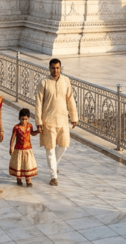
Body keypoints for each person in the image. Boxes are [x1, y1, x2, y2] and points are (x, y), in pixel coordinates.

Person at [35, 58, 78, 187]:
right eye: (53, 68)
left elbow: (70, 99)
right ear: (49, 68)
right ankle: (53, 176)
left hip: (63, 120)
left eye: (57, 68)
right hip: (48, 121)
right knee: (50, 148)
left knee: (64, 145)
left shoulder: (66, 81)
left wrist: (74, 117)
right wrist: (39, 122)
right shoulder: (44, 83)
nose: (55, 70)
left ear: (60, 68)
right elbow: (38, 103)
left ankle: (54, 164)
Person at [9, 108, 39, 187]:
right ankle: (19, 179)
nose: (24, 121)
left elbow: (32, 133)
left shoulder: (30, 126)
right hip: (19, 149)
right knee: (19, 164)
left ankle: (28, 180)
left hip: (28, 149)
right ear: (19, 118)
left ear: (28, 118)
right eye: (22, 119)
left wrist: (38, 132)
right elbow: (13, 138)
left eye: (26, 119)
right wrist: (11, 147)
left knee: (27, 164)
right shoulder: (16, 127)